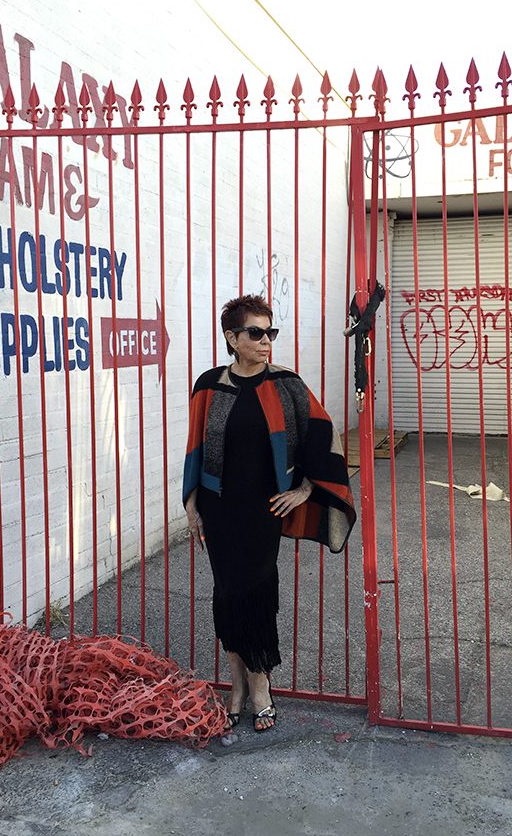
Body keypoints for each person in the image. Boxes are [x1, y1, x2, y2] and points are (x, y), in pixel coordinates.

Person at [183, 294, 356, 732]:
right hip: (218, 507)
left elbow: (323, 436)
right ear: (232, 338)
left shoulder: (287, 384)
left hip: (264, 509)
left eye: (270, 332)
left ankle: (260, 686)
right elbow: (195, 449)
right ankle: (236, 685)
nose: (266, 341)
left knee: (256, 592)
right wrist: (190, 505)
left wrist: (303, 489)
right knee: (226, 594)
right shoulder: (208, 385)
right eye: (256, 333)